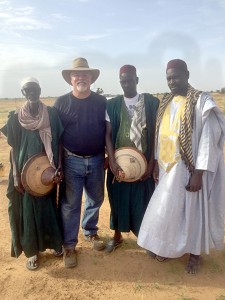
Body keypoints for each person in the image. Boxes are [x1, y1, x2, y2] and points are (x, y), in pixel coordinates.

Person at [138, 59, 225, 274]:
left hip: (190, 168)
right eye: (168, 78)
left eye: (176, 77)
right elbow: (160, 135)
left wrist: (198, 173)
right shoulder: (166, 101)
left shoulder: (201, 101)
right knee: (169, 211)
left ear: (187, 74)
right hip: (168, 167)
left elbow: (209, 139)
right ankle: (167, 247)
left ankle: (195, 254)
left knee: (193, 212)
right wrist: (157, 162)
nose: (172, 82)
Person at [0, 77, 63, 270]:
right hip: (25, 175)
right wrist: (17, 176)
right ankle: (32, 252)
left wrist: (58, 167)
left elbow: (58, 143)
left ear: (40, 90)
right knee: (28, 212)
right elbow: (12, 150)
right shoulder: (16, 117)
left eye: (34, 89)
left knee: (48, 207)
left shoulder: (51, 114)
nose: (32, 92)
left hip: (47, 171)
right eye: (28, 90)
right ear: (23, 93)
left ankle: (53, 244)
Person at [54, 57, 107, 268]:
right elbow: (57, 136)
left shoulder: (101, 102)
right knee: (71, 204)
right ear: (70, 79)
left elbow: (107, 131)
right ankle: (69, 246)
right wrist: (58, 163)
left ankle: (90, 232)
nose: (81, 77)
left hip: (96, 160)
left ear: (91, 78)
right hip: (71, 161)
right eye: (77, 74)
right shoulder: (61, 103)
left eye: (85, 74)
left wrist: (107, 157)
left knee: (96, 199)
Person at [105, 64, 159, 252]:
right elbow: (108, 134)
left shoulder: (150, 103)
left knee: (143, 200)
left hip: (143, 163)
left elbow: (155, 134)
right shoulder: (112, 104)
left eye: (129, 80)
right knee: (117, 199)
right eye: (123, 82)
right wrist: (112, 161)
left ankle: (145, 238)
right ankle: (117, 236)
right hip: (120, 162)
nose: (126, 84)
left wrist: (152, 162)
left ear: (136, 80)